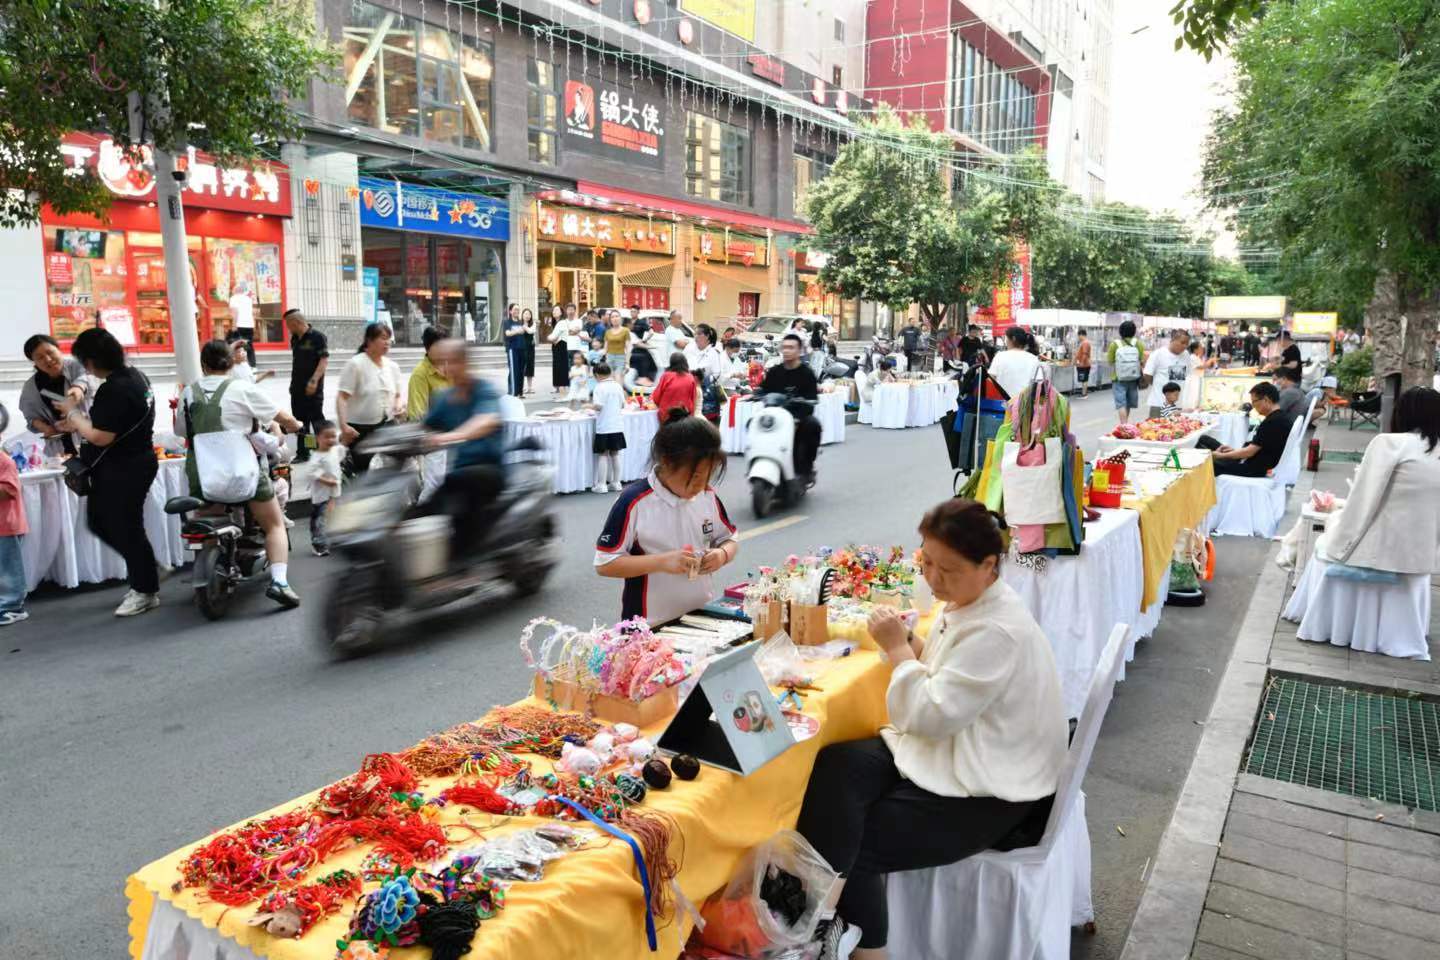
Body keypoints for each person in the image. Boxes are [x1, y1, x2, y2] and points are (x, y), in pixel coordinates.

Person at [795, 497, 1066, 958]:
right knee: (839, 765)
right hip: (959, 747)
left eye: (949, 570)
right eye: (927, 562)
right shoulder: (974, 601)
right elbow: (949, 672)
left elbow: (929, 715)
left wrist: (900, 650)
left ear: (988, 565)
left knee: (858, 841)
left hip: (992, 788)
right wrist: (913, 642)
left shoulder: (996, 628)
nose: (934, 579)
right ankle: (824, 909)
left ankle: (857, 943)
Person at [178, 340, 303, 607]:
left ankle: (212, 562)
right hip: (243, 472)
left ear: (203, 364)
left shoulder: (189, 392)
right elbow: (283, 418)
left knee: (207, 517)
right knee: (274, 524)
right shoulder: (243, 388)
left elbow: (180, 431)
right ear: (232, 363)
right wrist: (295, 424)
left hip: (203, 473)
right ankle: (280, 582)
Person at [594, 410, 737, 624]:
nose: (700, 486)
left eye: (708, 476)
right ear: (667, 462)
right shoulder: (634, 502)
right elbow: (605, 563)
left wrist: (722, 554)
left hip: (701, 619)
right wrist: (662, 562)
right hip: (648, 628)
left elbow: (729, 538)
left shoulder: (707, 496)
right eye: (695, 477)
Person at [60, 328, 160, 617]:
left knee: (124, 526)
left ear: (90, 362)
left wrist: (74, 416)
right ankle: (145, 573)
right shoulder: (136, 377)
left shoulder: (113, 388)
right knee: (104, 522)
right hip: (133, 462)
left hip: (124, 467)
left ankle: (145, 587)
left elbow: (102, 437)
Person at [1316, 386, 1440, 574]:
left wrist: (1337, 543)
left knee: (1321, 529)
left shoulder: (1391, 444)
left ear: (1401, 413)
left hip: (1380, 554)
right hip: (1424, 559)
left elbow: (1363, 501)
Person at [422, 339, 506, 559]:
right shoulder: (445, 398)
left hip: (490, 469)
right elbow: (423, 427)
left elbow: (485, 420)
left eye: (453, 361)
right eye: (443, 362)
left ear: (466, 362)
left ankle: (467, 560)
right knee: (424, 510)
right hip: (460, 471)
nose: (448, 367)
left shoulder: (484, 390)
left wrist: (451, 436)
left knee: (458, 486)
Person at [336, 323, 404, 476]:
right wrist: (343, 426)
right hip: (360, 430)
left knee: (393, 467)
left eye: (389, 339)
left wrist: (398, 406)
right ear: (369, 340)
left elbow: (398, 395)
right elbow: (342, 397)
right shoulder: (356, 364)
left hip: (387, 425)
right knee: (362, 472)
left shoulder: (392, 366)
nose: (387, 343)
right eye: (383, 338)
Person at [759, 334, 822, 482]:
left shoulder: (807, 374)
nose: (786, 351)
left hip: (798, 417)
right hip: (775, 417)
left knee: (813, 425)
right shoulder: (774, 372)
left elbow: (811, 400)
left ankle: (806, 468)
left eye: (791, 347)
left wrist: (797, 419)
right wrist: (754, 394)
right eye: (784, 347)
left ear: (799, 350)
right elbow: (763, 389)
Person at [1197, 382, 1294, 476]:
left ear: (1266, 400)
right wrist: (1233, 451)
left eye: (1254, 401)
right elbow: (1258, 447)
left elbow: (1249, 452)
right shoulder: (1280, 417)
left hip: (1251, 468)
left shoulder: (1273, 421)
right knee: (1204, 439)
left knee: (1201, 464)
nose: (1253, 406)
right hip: (1249, 460)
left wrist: (1220, 456)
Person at [19, 333, 93, 457]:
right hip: (59, 452)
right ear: (34, 363)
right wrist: (46, 428)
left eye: (50, 352)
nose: (48, 359)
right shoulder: (31, 387)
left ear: (59, 349)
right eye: (40, 357)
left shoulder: (77, 366)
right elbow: (31, 418)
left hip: (91, 441)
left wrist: (77, 391)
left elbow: (84, 379)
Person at [286, 309, 329, 463]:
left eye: (288, 325)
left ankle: (326, 452)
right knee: (300, 422)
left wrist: (314, 380)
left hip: (313, 388)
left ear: (296, 322)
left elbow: (323, 360)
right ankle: (304, 452)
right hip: (297, 388)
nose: (287, 329)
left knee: (317, 421)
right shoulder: (295, 338)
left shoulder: (318, 337)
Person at [0, 411, 28, 626]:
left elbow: (9, 490)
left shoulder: (4, 461)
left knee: (9, 568)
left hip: (6, 525)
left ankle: (13, 606)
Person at [589, 362, 627, 494]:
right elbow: (623, 404)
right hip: (617, 424)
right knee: (615, 454)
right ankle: (616, 483)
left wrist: (588, 406)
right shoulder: (617, 385)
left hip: (604, 426)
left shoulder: (599, 387)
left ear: (597, 375)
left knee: (603, 454)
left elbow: (599, 406)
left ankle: (601, 484)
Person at [1141, 330, 1194, 420]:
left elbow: (1186, 376)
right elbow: (1147, 374)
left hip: (1177, 404)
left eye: (1187, 344)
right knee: (1156, 429)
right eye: (1182, 342)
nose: (1185, 346)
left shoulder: (1186, 355)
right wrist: (1158, 386)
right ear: (1173, 340)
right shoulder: (1158, 354)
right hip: (1159, 403)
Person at [308, 421, 341, 557]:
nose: (331, 440)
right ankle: (319, 545)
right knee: (320, 520)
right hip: (322, 496)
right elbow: (311, 473)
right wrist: (325, 480)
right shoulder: (316, 457)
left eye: (333, 436)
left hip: (333, 494)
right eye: (327, 437)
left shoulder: (334, 450)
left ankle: (332, 540)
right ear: (318, 438)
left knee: (331, 518)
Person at [987, 326, 1043, 400]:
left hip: (1001, 404)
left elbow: (990, 379)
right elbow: (1038, 383)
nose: (1005, 341)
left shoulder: (1000, 356)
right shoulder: (1034, 359)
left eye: (1006, 338)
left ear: (1013, 339)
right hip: (1023, 404)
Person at [407, 327, 451, 420]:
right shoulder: (419, 374)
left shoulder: (454, 367)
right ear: (427, 348)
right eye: (439, 347)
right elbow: (417, 415)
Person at [1107, 319, 1146, 424]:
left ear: (1120, 331)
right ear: (1134, 331)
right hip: (1133, 377)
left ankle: (1123, 425)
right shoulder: (1138, 344)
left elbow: (1110, 361)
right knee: (1128, 403)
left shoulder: (1114, 344)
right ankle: (1125, 423)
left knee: (1121, 403)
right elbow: (1142, 361)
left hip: (1118, 378)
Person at [651, 352, 701, 418]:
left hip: (667, 416)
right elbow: (693, 399)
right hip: (685, 415)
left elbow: (656, 397)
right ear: (685, 362)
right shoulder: (690, 378)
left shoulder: (666, 376)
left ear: (671, 363)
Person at [226, 280, 257, 366]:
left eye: (233, 290)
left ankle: (236, 364)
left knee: (235, 344)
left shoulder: (233, 298)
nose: (232, 291)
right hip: (249, 325)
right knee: (248, 345)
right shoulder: (248, 299)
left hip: (239, 325)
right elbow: (252, 313)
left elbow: (235, 312)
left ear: (236, 290)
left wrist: (234, 325)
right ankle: (252, 364)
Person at [549, 304, 571, 398]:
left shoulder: (561, 322)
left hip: (561, 347)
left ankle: (563, 394)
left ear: (561, 312)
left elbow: (555, 337)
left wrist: (553, 339)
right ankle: (563, 393)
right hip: (557, 347)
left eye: (557, 310)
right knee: (559, 369)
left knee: (561, 369)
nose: (554, 311)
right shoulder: (556, 323)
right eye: (553, 310)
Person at [521, 307, 537, 396]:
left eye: (529, 314)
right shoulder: (519, 323)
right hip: (522, 347)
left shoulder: (533, 324)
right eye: (525, 314)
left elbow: (531, 331)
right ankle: (522, 387)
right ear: (522, 315)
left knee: (530, 366)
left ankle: (530, 387)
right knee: (522, 367)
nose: (527, 316)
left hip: (530, 347)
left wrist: (525, 327)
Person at [1073, 328, 1093, 398]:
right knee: (1084, 379)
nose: (1078, 338)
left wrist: (1081, 362)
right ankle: (1084, 393)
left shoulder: (1085, 343)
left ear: (1081, 335)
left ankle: (1084, 394)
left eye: (1078, 336)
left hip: (1084, 364)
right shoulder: (1085, 342)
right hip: (1085, 364)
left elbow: (1085, 354)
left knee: (1084, 379)